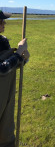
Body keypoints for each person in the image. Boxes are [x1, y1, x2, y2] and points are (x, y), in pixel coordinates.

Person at [0, 11, 29, 147]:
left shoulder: (3, 41)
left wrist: (23, 57)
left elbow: (12, 64)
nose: (4, 23)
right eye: (1, 21)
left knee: (6, 131)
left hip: (7, 93)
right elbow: (2, 68)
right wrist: (18, 53)